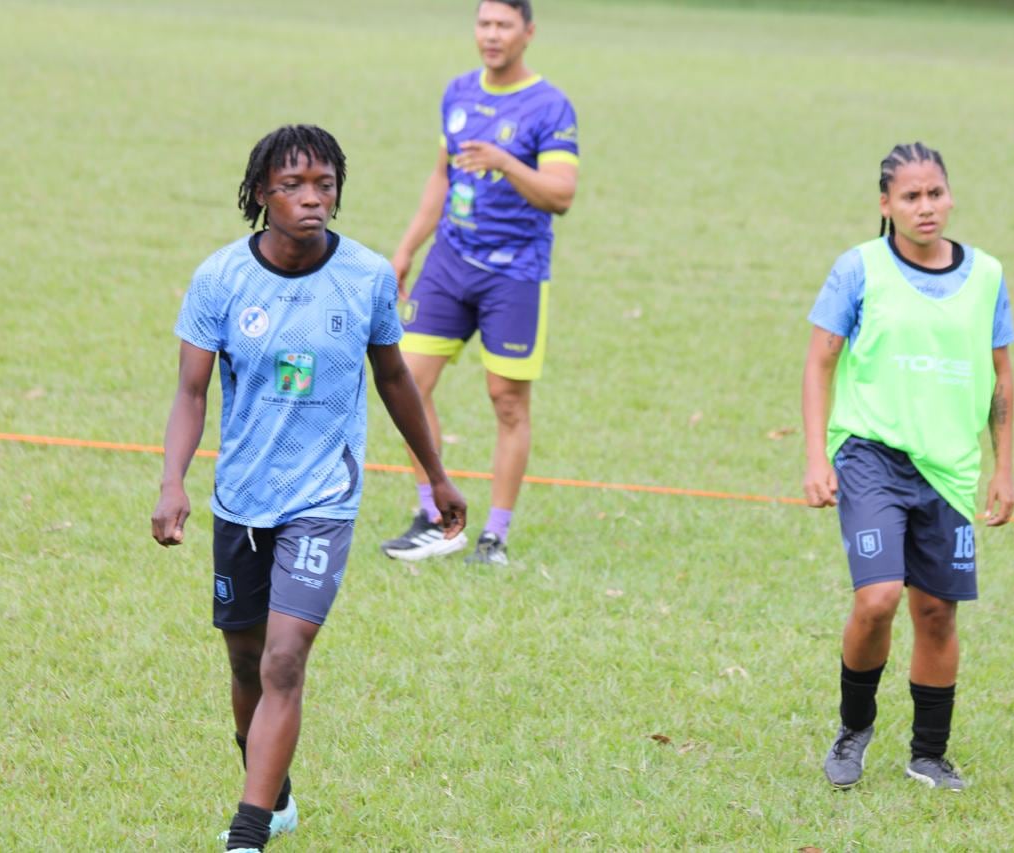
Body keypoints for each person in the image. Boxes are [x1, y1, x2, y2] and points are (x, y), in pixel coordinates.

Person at [150, 125, 466, 852]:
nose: (312, 198)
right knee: (244, 657)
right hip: (241, 498)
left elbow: (394, 379)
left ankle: (249, 831)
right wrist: (174, 482)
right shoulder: (221, 279)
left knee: (285, 657)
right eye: (292, 185)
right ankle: (277, 789)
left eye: (324, 183)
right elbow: (191, 393)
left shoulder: (364, 278)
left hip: (324, 498)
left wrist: (437, 474)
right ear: (261, 192)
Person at [801, 142, 1014, 791]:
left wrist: (1004, 468)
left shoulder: (986, 276)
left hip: (948, 466)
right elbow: (819, 360)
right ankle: (853, 728)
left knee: (937, 613)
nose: (925, 207)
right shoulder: (859, 269)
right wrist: (816, 455)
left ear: (949, 196)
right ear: (886, 205)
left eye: (935, 193)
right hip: (870, 454)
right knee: (877, 597)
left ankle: (928, 753)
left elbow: (1002, 377)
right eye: (910, 196)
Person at [380, 0, 579, 566]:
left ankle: (495, 535)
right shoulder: (458, 92)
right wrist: (405, 249)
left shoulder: (550, 105)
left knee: (507, 402)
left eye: (503, 25)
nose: (491, 35)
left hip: (514, 273)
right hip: (448, 263)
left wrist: (505, 161)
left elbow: (561, 196)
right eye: (484, 24)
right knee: (407, 387)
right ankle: (435, 517)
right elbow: (440, 178)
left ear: (528, 33)